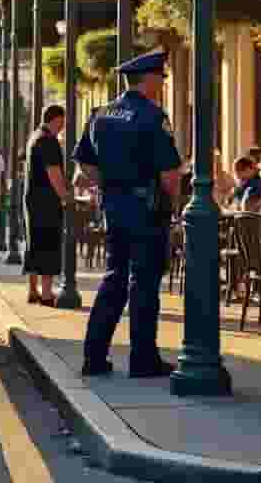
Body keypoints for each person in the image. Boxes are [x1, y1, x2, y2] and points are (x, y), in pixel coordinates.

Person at [75, 51, 183, 378]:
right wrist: (174, 205)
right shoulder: (152, 115)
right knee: (145, 283)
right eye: (160, 78)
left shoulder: (100, 114)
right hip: (146, 208)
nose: (162, 84)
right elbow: (169, 174)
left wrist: (108, 185)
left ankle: (93, 357)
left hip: (113, 206)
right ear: (148, 80)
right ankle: (142, 359)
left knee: (114, 278)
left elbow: (85, 163)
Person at [25, 105, 70, 306]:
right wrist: (65, 196)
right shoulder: (49, 141)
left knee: (34, 244)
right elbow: (53, 173)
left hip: (33, 199)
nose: (63, 126)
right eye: (63, 121)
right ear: (57, 119)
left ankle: (33, 291)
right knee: (48, 244)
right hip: (47, 201)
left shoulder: (35, 137)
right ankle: (46, 295)